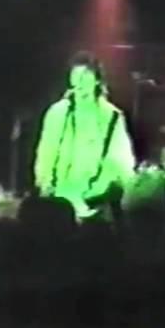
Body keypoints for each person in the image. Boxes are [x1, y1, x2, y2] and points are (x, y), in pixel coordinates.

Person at [33, 51, 137, 221]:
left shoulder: (111, 117)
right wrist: (46, 185)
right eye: (75, 75)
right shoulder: (58, 113)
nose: (80, 81)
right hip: (59, 198)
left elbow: (121, 162)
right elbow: (46, 152)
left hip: (96, 200)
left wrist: (98, 190)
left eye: (85, 75)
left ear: (97, 80)